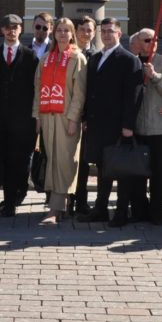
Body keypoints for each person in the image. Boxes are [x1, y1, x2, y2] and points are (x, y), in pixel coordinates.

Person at [82, 17, 143, 227]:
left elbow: (133, 96)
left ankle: (121, 213)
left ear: (120, 34)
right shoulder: (96, 58)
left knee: (122, 171)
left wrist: (128, 125)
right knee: (102, 169)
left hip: (119, 126)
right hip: (98, 125)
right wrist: (85, 118)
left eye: (111, 31)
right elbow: (90, 91)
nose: (107, 34)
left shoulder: (129, 59)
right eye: (104, 31)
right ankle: (100, 209)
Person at [32, 17, 86, 224]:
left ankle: (55, 209)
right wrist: (37, 115)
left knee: (64, 161)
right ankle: (58, 205)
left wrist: (74, 118)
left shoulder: (77, 59)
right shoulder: (46, 58)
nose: (62, 34)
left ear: (72, 34)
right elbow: (38, 89)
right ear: (54, 34)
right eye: (59, 30)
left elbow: (80, 93)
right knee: (51, 159)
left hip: (66, 118)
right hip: (47, 117)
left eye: (67, 30)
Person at [0, 14, 40, 216]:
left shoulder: (30, 56)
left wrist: (36, 117)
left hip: (23, 121)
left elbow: (37, 88)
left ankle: (14, 197)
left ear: (21, 30)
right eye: (8, 27)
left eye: (16, 27)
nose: (11, 31)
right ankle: (8, 200)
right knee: (3, 159)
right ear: (2, 30)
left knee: (19, 161)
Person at [131, 29, 162, 225]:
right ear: (138, 42)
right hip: (136, 128)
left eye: (156, 39)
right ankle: (138, 211)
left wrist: (155, 76)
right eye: (148, 40)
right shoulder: (132, 61)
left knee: (159, 173)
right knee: (137, 173)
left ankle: (157, 212)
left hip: (159, 128)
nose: (153, 42)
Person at [71, 15, 99, 212]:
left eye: (89, 30)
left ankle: (80, 201)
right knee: (65, 160)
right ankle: (63, 200)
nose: (86, 33)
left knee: (82, 162)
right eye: (82, 29)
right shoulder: (67, 55)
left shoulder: (97, 57)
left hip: (87, 119)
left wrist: (87, 117)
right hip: (66, 116)